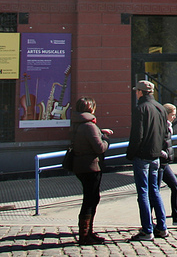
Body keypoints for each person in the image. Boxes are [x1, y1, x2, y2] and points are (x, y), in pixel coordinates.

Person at [127, 80, 168, 241]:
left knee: (143, 193)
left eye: (136, 91)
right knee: (155, 191)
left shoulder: (141, 108)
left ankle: (147, 230)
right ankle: (162, 227)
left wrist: (131, 153)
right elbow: (165, 133)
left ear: (140, 92)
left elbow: (137, 135)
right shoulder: (160, 108)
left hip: (142, 156)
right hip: (155, 155)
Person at [70, 96, 113, 245]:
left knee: (91, 198)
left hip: (80, 165)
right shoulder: (89, 125)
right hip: (91, 167)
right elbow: (99, 147)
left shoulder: (77, 123)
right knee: (90, 200)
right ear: (91, 109)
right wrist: (106, 139)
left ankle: (88, 232)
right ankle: (85, 235)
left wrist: (99, 132)